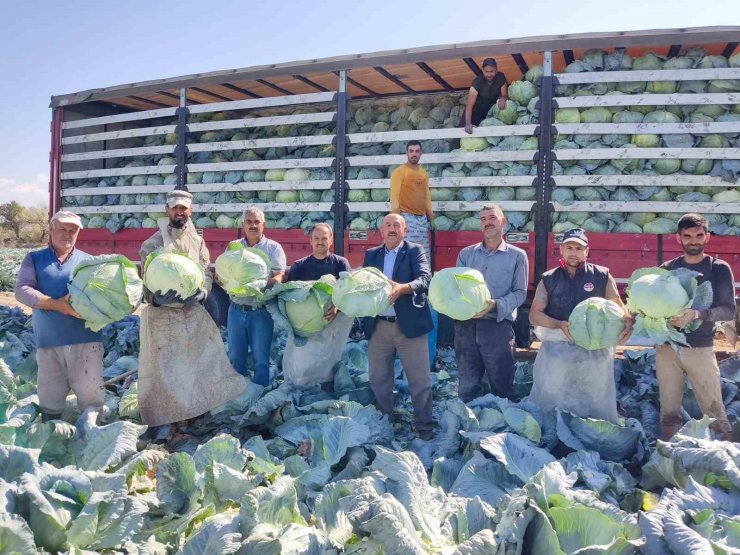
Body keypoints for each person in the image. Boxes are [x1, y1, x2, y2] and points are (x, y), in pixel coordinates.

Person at [138, 189, 245, 426]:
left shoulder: (198, 241)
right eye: (175, 208)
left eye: (183, 209)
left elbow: (206, 272)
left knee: (196, 363)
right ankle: (166, 421)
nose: (179, 212)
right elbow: (145, 283)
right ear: (167, 210)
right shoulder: (153, 243)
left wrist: (202, 291)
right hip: (162, 316)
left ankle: (193, 413)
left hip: (192, 313)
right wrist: (156, 299)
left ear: (190, 211)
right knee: (165, 369)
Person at [528, 228, 632, 422]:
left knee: (595, 395)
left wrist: (628, 321)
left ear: (586, 251)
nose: (573, 252)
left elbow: (619, 306)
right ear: (561, 250)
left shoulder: (602, 275)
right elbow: (535, 315)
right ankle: (554, 429)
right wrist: (559, 324)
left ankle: (594, 431)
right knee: (554, 393)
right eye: (569, 247)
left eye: (578, 248)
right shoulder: (549, 279)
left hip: (595, 350)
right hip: (558, 350)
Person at [15, 211, 104, 420]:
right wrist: (57, 305)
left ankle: (91, 441)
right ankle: (52, 443)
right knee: (50, 403)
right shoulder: (34, 259)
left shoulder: (89, 262)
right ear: (51, 229)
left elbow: (102, 298)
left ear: (78, 234)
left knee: (92, 401)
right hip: (49, 345)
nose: (67, 234)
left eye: (72, 230)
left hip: (87, 343)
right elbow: (22, 289)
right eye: (62, 229)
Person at [655, 213, 735, 441]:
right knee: (669, 411)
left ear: (707, 237)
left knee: (714, 409)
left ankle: (726, 459)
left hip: (700, 347)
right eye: (687, 236)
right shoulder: (667, 268)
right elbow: (654, 306)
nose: (693, 241)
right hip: (667, 347)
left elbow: (728, 309)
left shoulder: (718, 268)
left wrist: (697, 314)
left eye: (699, 235)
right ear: (678, 238)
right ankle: (669, 457)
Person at [363, 213, 435, 440]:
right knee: (379, 378)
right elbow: (364, 283)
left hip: (409, 327)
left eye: (397, 225)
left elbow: (425, 278)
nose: (392, 229)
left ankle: (424, 426)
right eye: (387, 225)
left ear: (404, 230)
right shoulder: (371, 254)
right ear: (381, 230)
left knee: (420, 380)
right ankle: (385, 422)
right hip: (379, 326)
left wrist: (403, 288)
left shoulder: (414, 250)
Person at [454, 204, 528, 402]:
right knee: (467, 386)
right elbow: (455, 289)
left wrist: (494, 304)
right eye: (483, 219)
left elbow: (520, 293)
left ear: (503, 222)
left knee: (502, 385)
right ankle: (469, 426)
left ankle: (503, 430)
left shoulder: (517, 256)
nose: (488, 222)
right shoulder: (466, 254)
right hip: (466, 327)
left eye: (492, 218)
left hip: (497, 327)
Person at [282, 223, 353, 388]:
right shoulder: (299, 266)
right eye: (316, 238)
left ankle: (325, 384)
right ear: (310, 241)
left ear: (331, 241)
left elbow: (349, 292)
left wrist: (336, 306)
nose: (320, 242)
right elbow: (288, 295)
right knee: (302, 362)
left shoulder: (341, 264)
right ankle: (303, 385)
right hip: (304, 326)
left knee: (327, 359)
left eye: (324, 238)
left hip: (332, 323)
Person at [226, 206, 286, 386]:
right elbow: (223, 274)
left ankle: (259, 394)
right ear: (243, 224)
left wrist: (260, 284)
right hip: (236, 310)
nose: (253, 225)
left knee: (261, 359)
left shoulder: (273, 248)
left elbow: (280, 276)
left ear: (263, 225)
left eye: (256, 222)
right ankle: (240, 394)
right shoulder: (234, 247)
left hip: (261, 311)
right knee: (236, 357)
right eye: (249, 222)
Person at [389, 140, 433, 258]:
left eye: (417, 151)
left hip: (422, 219)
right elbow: (394, 198)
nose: (414, 154)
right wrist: (398, 222)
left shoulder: (423, 173)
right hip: (407, 218)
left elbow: (427, 196)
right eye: (411, 151)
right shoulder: (399, 172)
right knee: (408, 254)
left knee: (423, 255)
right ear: (406, 153)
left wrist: (431, 217)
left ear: (421, 153)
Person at [463, 58, 508, 134]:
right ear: (482, 70)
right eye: (486, 72)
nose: (489, 74)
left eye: (492, 71)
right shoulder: (477, 82)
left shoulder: (500, 77)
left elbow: (505, 95)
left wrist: (503, 98)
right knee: (462, 136)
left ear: (496, 70)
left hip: (488, 115)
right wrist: (468, 123)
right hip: (474, 115)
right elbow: (470, 105)